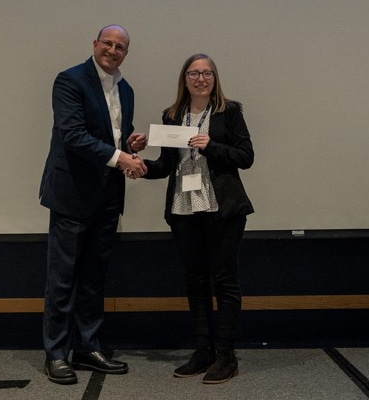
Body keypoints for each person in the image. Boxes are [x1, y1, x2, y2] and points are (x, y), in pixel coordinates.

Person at [38, 24, 147, 385]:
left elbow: (109, 138)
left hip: (107, 198)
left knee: (93, 278)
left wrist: (131, 146)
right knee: (63, 278)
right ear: (95, 44)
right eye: (108, 43)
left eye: (120, 47)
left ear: (125, 54)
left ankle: (87, 347)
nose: (113, 51)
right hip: (71, 196)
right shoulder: (70, 80)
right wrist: (121, 158)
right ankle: (56, 353)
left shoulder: (126, 89)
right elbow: (72, 135)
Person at [137, 53, 254, 384]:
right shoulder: (171, 116)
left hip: (222, 209)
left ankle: (226, 356)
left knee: (225, 281)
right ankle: (202, 351)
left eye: (207, 73)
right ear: (184, 79)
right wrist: (139, 164)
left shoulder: (229, 112)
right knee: (196, 282)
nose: (200, 79)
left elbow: (246, 157)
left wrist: (211, 145)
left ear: (215, 79)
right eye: (193, 73)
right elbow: (164, 166)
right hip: (183, 208)